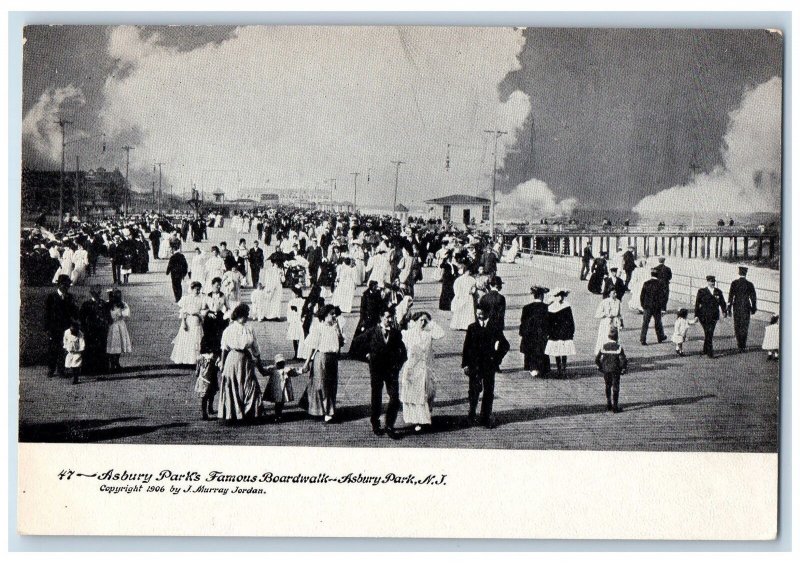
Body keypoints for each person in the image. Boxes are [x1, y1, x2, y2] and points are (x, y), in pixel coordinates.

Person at [355, 306, 407, 438]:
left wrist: (398, 366)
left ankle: (389, 425)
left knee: (394, 398)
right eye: (386, 317)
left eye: (391, 317)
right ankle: (376, 424)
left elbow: (404, 353)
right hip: (377, 370)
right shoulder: (372, 332)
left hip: (391, 371)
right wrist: (366, 356)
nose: (389, 320)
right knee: (376, 398)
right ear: (381, 318)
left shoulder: (396, 333)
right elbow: (356, 345)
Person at [461, 306, 510, 428]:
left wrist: (497, 359)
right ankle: (471, 414)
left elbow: (505, 344)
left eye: (482, 314)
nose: (479, 316)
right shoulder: (472, 327)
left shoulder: (494, 327)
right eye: (477, 314)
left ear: (488, 313)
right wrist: (465, 364)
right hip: (474, 365)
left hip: (489, 365)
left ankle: (485, 416)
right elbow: (466, 347)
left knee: (488, 391)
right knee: (474, 390)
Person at [218, 304, 266, 421]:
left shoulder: (249, 329)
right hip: (233, 359)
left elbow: (255, 346)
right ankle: (234, 413)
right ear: (239, 315)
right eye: (246, 315)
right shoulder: (229, 329)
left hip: (246, 359)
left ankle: (249, 412)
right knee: (234, 384)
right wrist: (223, 364)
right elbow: (224, 348)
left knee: (249, 383)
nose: (247, 317)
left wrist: (259, 361)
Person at [399, 311, 445, 433]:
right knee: (413, 394)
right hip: (412, 368)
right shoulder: (407, 334)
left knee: (425, 394)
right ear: (415, 321)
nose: (423, 323)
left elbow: (441, 334)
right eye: (421, 320)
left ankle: (423, 418)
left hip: (425, 368)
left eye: (425, 321)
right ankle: (416, 420)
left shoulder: (428, 334)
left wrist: (432, 322)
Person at [301, 304, 344, 423]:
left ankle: (328, 410)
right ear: (325, 316)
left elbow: (340, 343)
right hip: (321, 358)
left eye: (335, 313)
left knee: (331, 385)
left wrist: (338, 330)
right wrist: (306, 363)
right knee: (321, 385)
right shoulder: (319, 328)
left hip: (333, 359)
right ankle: (321, 411)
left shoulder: (336, 327)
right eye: (332, 314)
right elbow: (312, 346)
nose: (334, 316)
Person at [45, 274, 79, 378]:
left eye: (68, 285)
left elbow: (73, 312)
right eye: (65, 285)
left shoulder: (70, 297)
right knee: (53, 349)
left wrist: (75, 314)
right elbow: (47, 314)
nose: (67, 287)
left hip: (66, 328)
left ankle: (61, 370)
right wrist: (47, 329)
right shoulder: (51, 297)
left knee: (64, 348)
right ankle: (51, 369)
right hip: (54, 328)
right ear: (59, 285)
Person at [170, 281, 205, 366]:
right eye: (196, 289)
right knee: (186, 340)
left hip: (196, 321)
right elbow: (183, 312)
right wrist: (184, 323)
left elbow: (202, 310)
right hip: (188, 321)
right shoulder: (186, 298)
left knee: (196, 340)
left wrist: (200, 316)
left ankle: (195, 360)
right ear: (192, 289)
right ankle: (185, 359)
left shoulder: (201, 299)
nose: (198, 291)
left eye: (199, 290)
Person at [595, 327, 628, 413]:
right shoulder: (619, 347)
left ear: (608, 337)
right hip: (615, 370)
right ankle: (615, 406)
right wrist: (623, 368)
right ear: (617, 337)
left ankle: (608, 402)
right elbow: (623, 360)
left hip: (606, 370)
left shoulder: (604, 346)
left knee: (607, 385)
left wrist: (600, 367)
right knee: (616, 387)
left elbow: (597, 359)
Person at [519, 286, 550, 377]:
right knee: (541, 351)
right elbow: (548, 322)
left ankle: (532, 368)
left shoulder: (526, 308)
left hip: (529, 335)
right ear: (541, 296)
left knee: (531, 351)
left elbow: (523, 322)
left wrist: (522, 333)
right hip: (541, 334)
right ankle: (542, 368)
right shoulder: (545, 307)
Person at [694, 275, 728, 358]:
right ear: (708, 282)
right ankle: (710, 352)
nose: (712, 283)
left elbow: (722, 303)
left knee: (709, 333)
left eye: (713, 282)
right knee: (708, 333)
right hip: (703, 316)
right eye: (711, 281)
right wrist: (696, 315)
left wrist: (724, 311)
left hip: (714, 316)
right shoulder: (701, 291)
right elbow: (697, 304)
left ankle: (705, 350)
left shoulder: (718, 292)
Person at [79, 285, 109, 375]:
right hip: (90, 330)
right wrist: (84, 329)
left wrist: (104, 324)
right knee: (89, 348)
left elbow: (107, 316)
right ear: (91, 294)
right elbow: (82, 318)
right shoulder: (86, 304)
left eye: (99, 293)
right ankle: (89, 369)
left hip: (101, 330)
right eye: (95, 293)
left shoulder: (103, 304)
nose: (97, 295)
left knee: (101, 348)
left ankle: (101, 368)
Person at [545, 289, 576, 376]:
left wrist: (571, 330)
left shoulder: (566, 306)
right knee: (556, 350)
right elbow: (549, 322)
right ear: (555, 297)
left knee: (564, 349)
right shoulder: (551, 307)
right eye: (558, 296)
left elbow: (570, 320)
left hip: (565, 331)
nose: (560, 298)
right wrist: (548, 331)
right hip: (555, 332)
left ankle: (564, 366)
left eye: (562, 296)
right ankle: (559, 367)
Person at [727, 266, 758, 352]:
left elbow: (730, 297)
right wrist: (753, 308)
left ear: (739, 273)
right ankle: (743, 345)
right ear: (746, 273)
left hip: (736, 307)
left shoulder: (734, 283)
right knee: (745, 326)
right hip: (746, 307)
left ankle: (739, 344)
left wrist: (729, 309)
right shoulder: (750, 284)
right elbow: (753, 297)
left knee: (737, 325)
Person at [262, 353, 301, 422]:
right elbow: (263, 371)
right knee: (277, 403)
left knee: (280, 403)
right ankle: (277, 415)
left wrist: (302, 370)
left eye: (282, 363)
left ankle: (278, 415)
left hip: (283, 390)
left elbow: (295, 372)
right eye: (278, 363)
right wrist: (259, 364)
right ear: (275, 363)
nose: (280, 364)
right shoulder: (272, 369)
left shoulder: (287, 370)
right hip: (275, 389)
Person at [640, 269, 668, 345]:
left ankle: (643, 339)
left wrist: (643, 305)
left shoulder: (646, 283)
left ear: (651, 275)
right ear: (657, 275)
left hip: (647, 307)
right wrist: (663, 308)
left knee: (645, 323)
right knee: (658, 322)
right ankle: (660, 337)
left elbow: (642, 296)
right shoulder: (660, 284)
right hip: (657, 307)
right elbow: (663, 297)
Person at [106, 289, 132, 371]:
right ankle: (111, 363)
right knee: (111, 344)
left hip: (119, 325)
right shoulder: (107, 304)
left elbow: (126, 314)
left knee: (119, 344)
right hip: (110, 326)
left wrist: (120, 314)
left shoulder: (122, 304)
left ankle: (116, 362)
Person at [594, 288, 624, 354]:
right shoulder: (604, 302)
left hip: (615, 322)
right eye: (613, 293)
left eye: (616, 293)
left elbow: (619, 314)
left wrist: (621, 323)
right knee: (604, 336)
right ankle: (602, 352)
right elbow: (597, 314)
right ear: (609, 293)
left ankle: (614, 352)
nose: (615, 294)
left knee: (614, 337)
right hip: (606, 322)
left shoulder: (618, 301)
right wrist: (606, 314)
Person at [449, 263, 476, 331]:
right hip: (461, 296)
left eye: (469, 271)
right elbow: (456, 288)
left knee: (468, 311)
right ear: (465, 271)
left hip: (469, 297)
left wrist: (472, 291)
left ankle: (467, 325)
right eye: (467, 271)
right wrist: (457, 295)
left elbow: (474, 287)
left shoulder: (472, 279)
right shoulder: (459, 279)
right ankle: (459, 325)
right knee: (460, 310)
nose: (468, 273)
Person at [286, 286, 305, 359]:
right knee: (296, 338)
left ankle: (299, 354)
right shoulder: (292, 301)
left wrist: (297, 311)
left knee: (298, 338)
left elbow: (290, 313)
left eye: (293, 293)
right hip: (295, 322)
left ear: (296, 294)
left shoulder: (300, 301)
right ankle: (297, 353)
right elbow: (289, 312)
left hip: (297, 322)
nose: (292, 294)